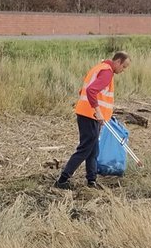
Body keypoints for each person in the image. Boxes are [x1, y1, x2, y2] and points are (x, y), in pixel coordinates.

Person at [55, 51, 131, 189]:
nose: (123, 70)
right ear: (118, 62)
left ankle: (91, 181)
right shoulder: (107, 72)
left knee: (93, 150)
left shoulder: (99, 68)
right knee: (85, 149)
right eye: (124, 67)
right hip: (90, 115)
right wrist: (98, 111)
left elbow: (82, 91)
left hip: (88, 114)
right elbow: (90, 91)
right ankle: (62, 179)